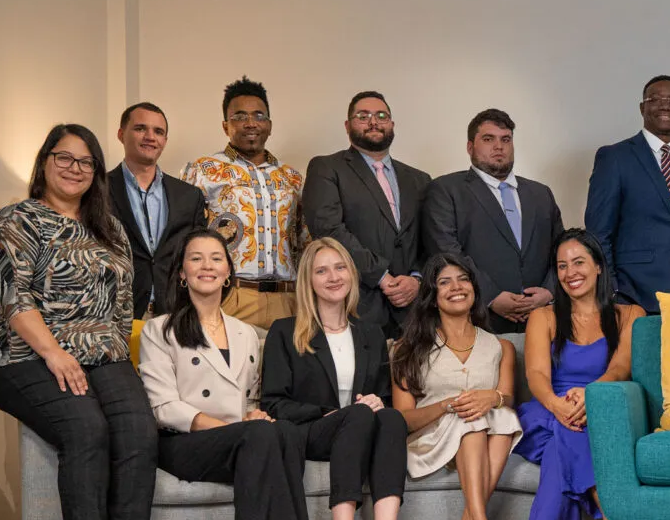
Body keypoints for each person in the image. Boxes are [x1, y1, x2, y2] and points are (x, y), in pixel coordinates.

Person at [0, 124, 158, 520]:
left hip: (103, 352)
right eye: (64, 158)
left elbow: (122, 307)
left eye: (86, 162)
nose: (75, 168)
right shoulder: (16, 219)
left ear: (96, 171)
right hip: (23, 353)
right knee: (85, 427)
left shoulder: (110, 228)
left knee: (139, 430)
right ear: (45, 162)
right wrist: (54, 353)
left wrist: (120, 367)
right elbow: (14, 297)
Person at [138, 229, 313, 520]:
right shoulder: (160, 330)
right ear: (182, 273)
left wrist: (252, 416)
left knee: (285, 430)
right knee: (260, 434)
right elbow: (163, 407)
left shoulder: (245, 332)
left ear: (228, 272)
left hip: (240, 440)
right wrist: (233, 428)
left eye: (216, 258)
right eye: (196, 258)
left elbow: (249, 399)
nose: (207, 266)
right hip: (183, 442)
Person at [261, 237, 409, 520]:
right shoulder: (285, 331)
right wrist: (326, 414)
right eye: (322, 271)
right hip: (313, 432)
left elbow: (383, 396)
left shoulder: (371, 334)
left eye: (340, 267)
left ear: (352, 275)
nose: (333, 277)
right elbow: (274, 403)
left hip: (361, 430)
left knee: (391, 417)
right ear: (308, 281)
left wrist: (377, 402)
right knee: (357, 415)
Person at [511, 229, 644, 520]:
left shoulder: (631, 315)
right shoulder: (544, 316)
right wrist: (558, 405)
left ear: (599, 266)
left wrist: (590, 396)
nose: (570, 272)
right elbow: (536, 375)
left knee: (563, 441)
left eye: (579, 262)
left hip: (600, 409)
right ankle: (611, 513)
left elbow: (620, 368)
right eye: (562, 266)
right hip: (546, 411)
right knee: (568, 426)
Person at [391, 253, 523, 520]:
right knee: (471, 416)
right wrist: (447, 405)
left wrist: (492, 396)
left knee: (500, 416)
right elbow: (402, 419)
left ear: (474, 288)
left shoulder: (500, 347)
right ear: (432, 295)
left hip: (483, 437)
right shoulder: (407, 348)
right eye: (445, 282)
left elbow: (506, 399)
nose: (456, 287)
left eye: (463, 279)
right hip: (430, 441)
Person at [301, 91, 433, 338]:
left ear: (392, 124)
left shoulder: (419, 179)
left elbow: (430, 238)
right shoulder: (327, 168)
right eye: (363, 116)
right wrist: (382, 277)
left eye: (382, 116)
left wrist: (417, 279)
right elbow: (329, 230)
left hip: (414, 309)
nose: (373, 122)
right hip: (356, 303)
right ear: (347, 125)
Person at [421, 108, 563, 334]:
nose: (499, 146)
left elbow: (561, 250)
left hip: (542, 321)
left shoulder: (541, 193)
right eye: (488, 139)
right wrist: (491, 296)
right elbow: (446, 252)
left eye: (506, 139)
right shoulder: (446, 190)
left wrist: (549, 291)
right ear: (470, 147)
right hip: (479, 322)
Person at [181, 77, 306, 329]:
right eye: (239, 116)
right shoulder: (204, 170)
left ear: (269, 125)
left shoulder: (292, 177)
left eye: (259, 116)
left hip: (288, 299)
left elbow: (305, 241)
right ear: (225, 126)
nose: (250, 123)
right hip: (230, 296)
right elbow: (184, 237)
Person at [584, 75, 670, 313]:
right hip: (634, 297)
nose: (665, 106)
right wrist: (612, 292)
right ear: (642, 108)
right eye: (656, 99)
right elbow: (598, 233)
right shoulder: (615, 158)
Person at [106, 102, 206, 319]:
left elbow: (197, 256)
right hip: (115, 315)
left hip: (174, 315)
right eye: (140, 128)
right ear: (121, 134)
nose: (150, 137)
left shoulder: (189, 196)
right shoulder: (97, 190)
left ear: (165, 141)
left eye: (158, 132)